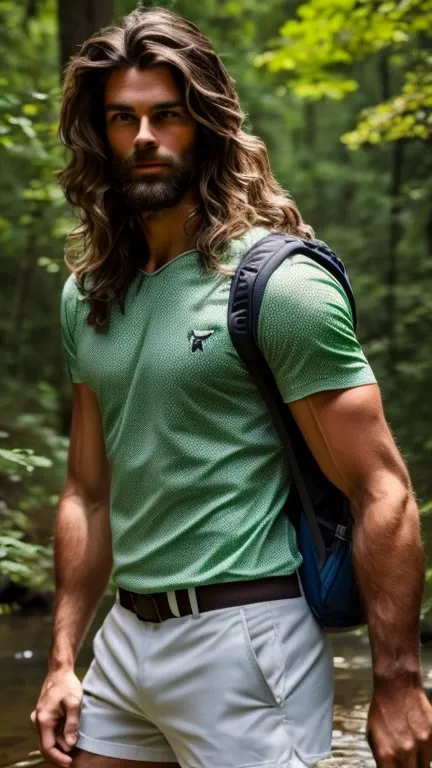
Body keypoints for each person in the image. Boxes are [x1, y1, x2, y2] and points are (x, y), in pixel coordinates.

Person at [32, 7, 432, 768]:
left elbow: (383, 488)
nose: (144, 137)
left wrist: (399, 682)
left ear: (207, 127)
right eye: (123, 119)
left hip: (246, 638)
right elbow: (87, 492)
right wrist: (60, 660)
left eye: (168, 116)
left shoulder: (280, 286)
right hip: (127, 639)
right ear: (99, 135)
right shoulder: (87, 296)